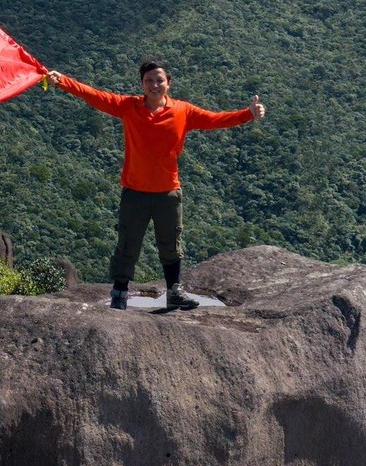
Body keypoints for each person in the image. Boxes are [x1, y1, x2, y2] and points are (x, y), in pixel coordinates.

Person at [46, 60, 263, 311]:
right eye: (149, 80)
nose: (154, 85)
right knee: (128, 244)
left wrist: (248, 114)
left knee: (171, 244)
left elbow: (215, 120)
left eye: (159, 80)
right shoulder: (129, 107)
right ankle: (119, 292)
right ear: (142, 84)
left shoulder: (183, 111)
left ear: (168, 83)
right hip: (134, 192)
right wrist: (63, 81)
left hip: (168, 192)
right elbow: (95, 96)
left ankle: (174, 292)